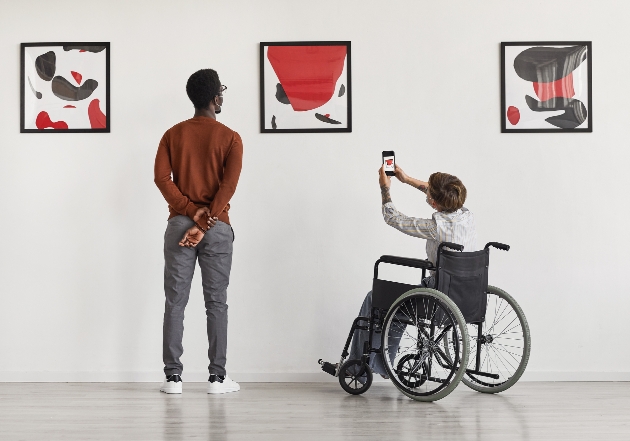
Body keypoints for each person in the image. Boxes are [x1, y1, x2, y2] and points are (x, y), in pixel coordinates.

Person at [154, 69, 243, 394]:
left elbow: (162, 179)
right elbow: (228, 186)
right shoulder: (231, 138)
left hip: (179, 225)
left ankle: (173, 379)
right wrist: (204, 220)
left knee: (175, 302)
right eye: (222, 91)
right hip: (218, 227)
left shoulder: (171, 135)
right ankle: (218, 379)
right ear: (215, 98)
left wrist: (190, 214)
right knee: (216, 302)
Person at [348, 164, 477, 377]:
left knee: (376, 299)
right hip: (467, 292)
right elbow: (435, 192)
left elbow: (393, 218)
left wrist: (385, 188)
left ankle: (358, 368)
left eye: (430, 195)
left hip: (438, 295)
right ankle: (383, 365)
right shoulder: (466, 214)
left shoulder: (435, 227)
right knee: (399, 305)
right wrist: (405, 179)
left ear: (434, 203)